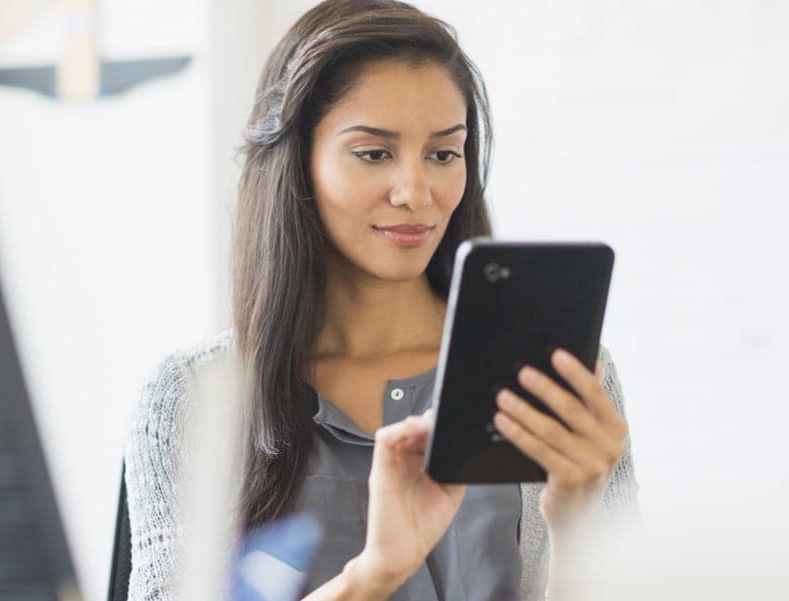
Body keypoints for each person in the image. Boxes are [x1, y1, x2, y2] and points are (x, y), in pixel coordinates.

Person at [124, 1, 639, 599]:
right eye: (374, 153)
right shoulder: (191, 400)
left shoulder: (560, 380)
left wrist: (578, 528)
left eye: (444, 154)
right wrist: (373, 576)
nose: (416, 193)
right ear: (297, 164)